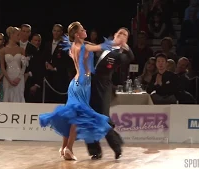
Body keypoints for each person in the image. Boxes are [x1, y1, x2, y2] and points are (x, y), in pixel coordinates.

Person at [39, 21, 119, 160]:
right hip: (83, 84)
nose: (85, 30)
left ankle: (64, 148)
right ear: (77, 34)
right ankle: (69, 148)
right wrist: (117, 43)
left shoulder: (74, 46)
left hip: (74, 83)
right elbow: (103, 47)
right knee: (78, 117)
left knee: (72, 116)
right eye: (82, 29)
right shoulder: (84, 47)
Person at [87, 28, 134, 160]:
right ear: (114, 35)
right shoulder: (103, 46)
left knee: (103, 117)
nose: (121, 35)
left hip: (104, 86)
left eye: (125, 35)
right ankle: (94, 151)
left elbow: (130, 57)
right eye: (119, 33)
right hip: (91, 84)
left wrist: (126, 47)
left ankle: (116, 145)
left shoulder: (120, 55)